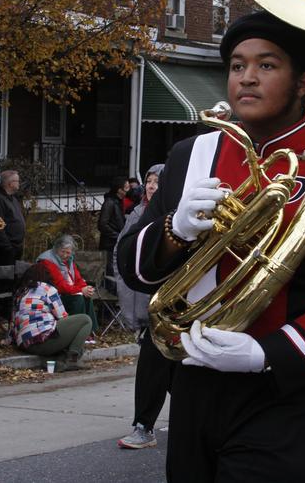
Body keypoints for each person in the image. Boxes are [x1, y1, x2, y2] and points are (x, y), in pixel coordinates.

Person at [116, 10, 305, 482]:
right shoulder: (193, 154)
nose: (246, 78)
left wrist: (268, 353)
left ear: (302, 81)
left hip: (298, 392)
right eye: (236, 65)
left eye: (267, 65)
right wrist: (176, 229)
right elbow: (133, 270)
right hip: (196, 381)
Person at [115, 165, 178, 450]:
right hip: (155, 305)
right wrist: (134, 310)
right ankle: (144, 425)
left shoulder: (184, 211)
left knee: (184, 368)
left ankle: (194, 415)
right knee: (153, 364)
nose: (152, 186)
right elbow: (125, 261)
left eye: (158, 182)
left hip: (186, 304)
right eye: (149, 182)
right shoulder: (139, 215)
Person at [10, 264, 93, 372]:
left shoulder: (20, 293)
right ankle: (73, 359)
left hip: (26, 344)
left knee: (64, 343)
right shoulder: (47, 289)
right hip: (44, 339)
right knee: (85, 320)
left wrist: (9, 340)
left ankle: (54, 362)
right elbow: (62, 316)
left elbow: (13, 321)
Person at [36, 234, 99, 336]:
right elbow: (60, 286)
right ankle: (75, 332)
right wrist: (81, 290)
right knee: (78, 298)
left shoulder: (69, 261)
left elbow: (77, 278)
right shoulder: (48, 261)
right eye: (62, 252)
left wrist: (85, 288)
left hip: (65, 293)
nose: (65, 255)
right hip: (51, 297)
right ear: (56, 249)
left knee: (86, 297)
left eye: (68, 253)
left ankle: (89, 331)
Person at [0, 170, 26, 267]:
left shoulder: (11, 198)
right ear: (10, 184)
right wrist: (7, 247)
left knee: (14, 278)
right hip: (6, 250)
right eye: (17, 181)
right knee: (5, 278)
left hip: (16, 247)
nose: (19, 184)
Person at [98, 175, 128, 261]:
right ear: (119, 190)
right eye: (126, 187)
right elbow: (102, 225)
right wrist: (117, 236)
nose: (128, 190)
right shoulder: (109, 202)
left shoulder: (118, 201)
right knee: (109, 270)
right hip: (109, 245)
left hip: (116, 242)